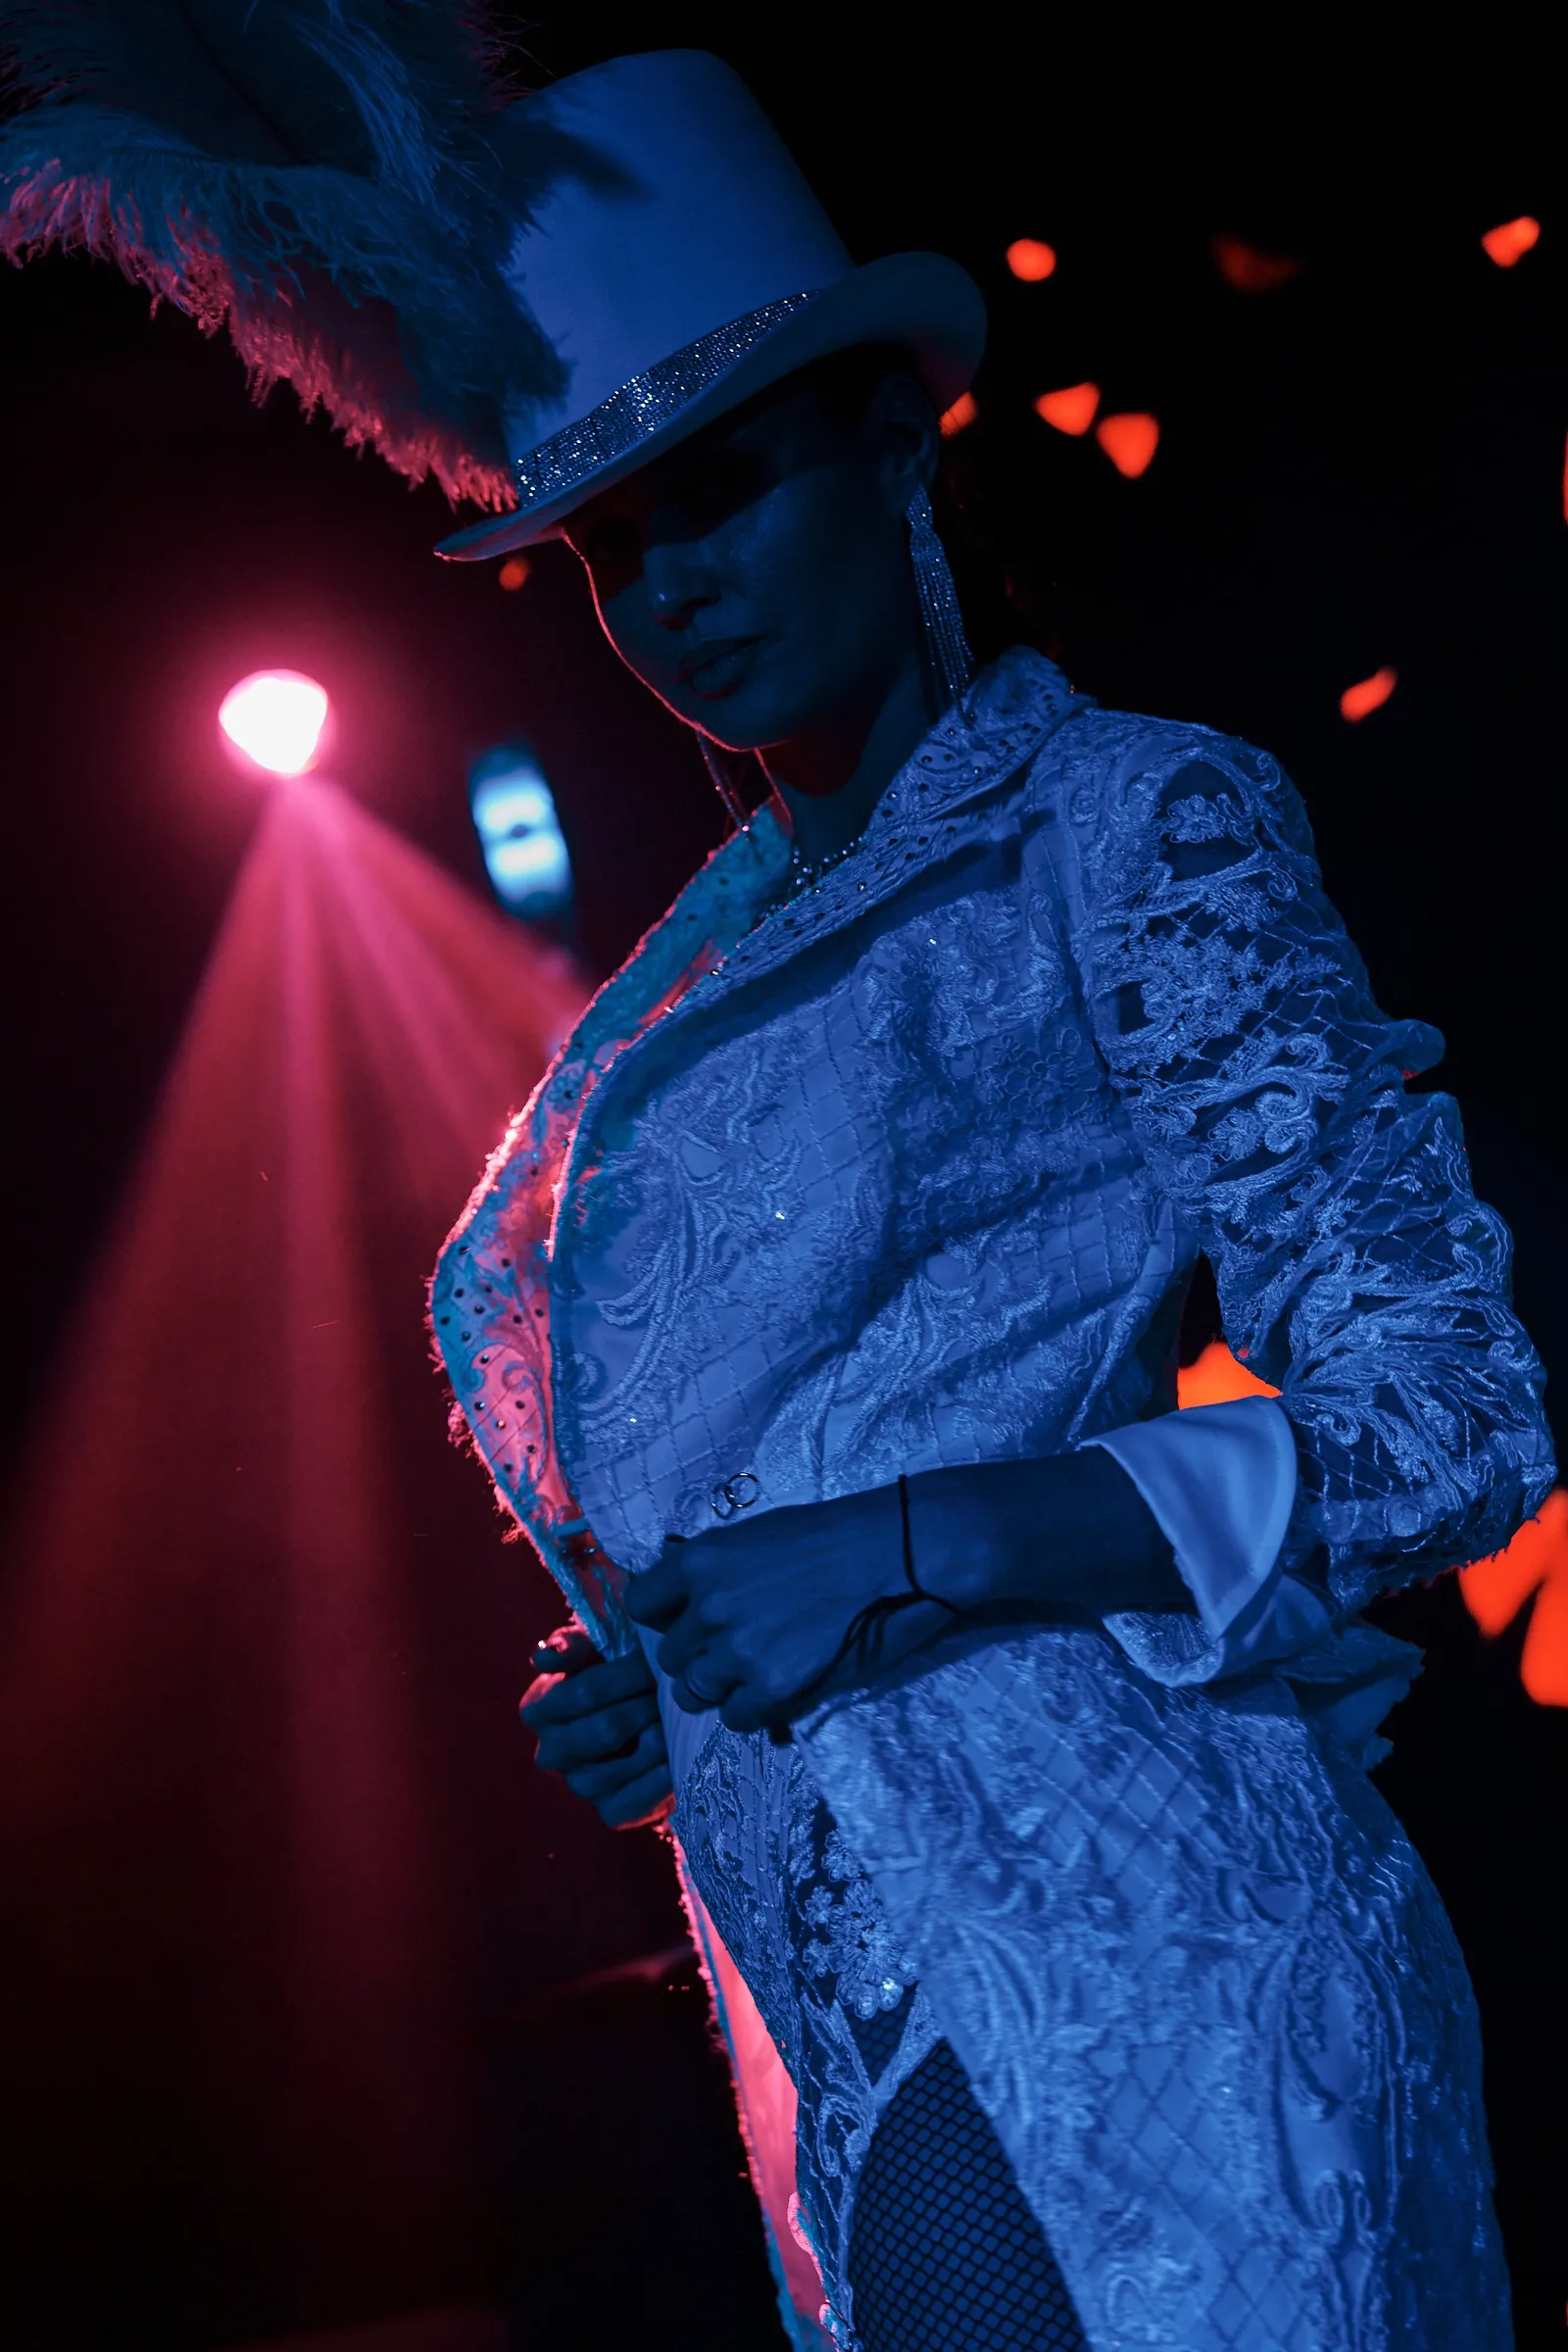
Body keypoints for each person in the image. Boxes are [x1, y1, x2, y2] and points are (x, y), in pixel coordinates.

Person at [420, 45, 1552, 2352]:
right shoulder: (650, 1014)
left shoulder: (1122, 824)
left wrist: (898, 1545)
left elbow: (1446, 1408)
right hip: (844, 1993)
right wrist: (662, 1686)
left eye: (718, 493)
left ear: (888, 437)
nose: (670, 591)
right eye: (612, 548)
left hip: (1141, 1957)